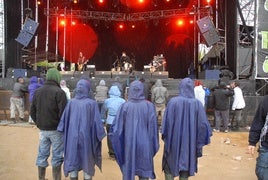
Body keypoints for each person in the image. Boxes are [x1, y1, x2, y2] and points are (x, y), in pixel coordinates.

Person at [161, 77, 211, 180]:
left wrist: (166, 136)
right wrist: (198, 142)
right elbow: (203, 126)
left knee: (169, 167)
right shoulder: (197, 104)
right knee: (185, 168)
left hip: (173, 141)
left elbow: (166, 123)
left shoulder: (173, 102)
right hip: (190, 143)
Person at [109, 80, 159, 180]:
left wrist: (120, 146)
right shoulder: (149, 106)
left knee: (129, 169)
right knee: (144, 172)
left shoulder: (125, 106)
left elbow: (117, 130)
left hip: (129, 144)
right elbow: (153, 130)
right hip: (145, 145)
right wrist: (152, 146)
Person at [57, 79, 106, 180]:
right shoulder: (92, 104)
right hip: (87, 139)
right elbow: (98, 124)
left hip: (72, 139)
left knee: (73, 160)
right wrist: (100, 134)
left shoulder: (71, 103)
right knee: (87, 162)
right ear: (88, 89)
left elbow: (63, 123)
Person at [30, 68, 67, 180]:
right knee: (57, 156)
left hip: (42, 130)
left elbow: (32, 110)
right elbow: (63, 113)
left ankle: (41, 178)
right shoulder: (60, 92)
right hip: (56, 130)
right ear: (57, 77)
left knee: (42, 154)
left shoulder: (38, 91)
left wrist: (38, 123)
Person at [101, 85, 126, 160]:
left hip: (110, 121)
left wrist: (103, 119)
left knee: (110, 137)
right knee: (119, 137)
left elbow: (103, 111)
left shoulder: (107, 101)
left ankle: (112, 153)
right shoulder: (122, 101)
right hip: (119, 121)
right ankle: (119, 152)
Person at [248, 95, 268, 179]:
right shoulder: (266, 100)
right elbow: (258, 121)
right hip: (266, 146)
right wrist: (252, 142)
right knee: (263, 174)